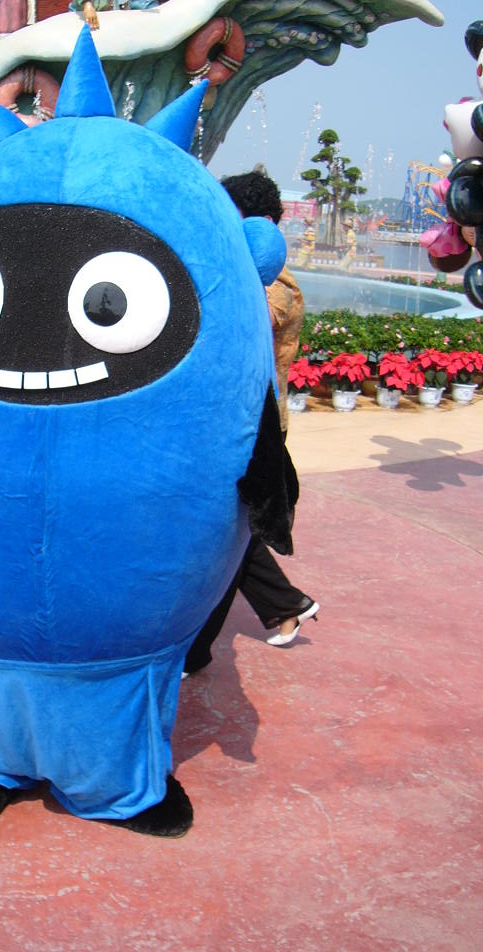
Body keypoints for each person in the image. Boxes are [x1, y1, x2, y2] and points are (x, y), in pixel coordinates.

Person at [184, 170, 319, 672]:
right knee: (238, 529)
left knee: (230, 535)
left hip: (257, 427)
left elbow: (241, 322)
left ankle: (197, 647)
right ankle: (286, 606)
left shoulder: (275, 286)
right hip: (232, 422)